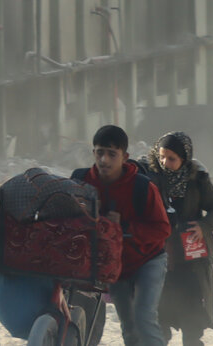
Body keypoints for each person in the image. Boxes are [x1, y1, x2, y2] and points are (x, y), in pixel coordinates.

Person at [71, 125, 169, 346]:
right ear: (93, 152)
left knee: (144, 320)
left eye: (111, 154)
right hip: (114, 267)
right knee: (129, 327)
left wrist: (123, 227)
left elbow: (163, 229)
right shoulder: (81, 181)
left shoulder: (142, 187)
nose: (104, 160)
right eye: (99, 152)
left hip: (148, 260)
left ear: (125, 157)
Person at [138, 132, 213, 346]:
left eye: (171, 159)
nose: (165, 163)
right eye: (161, 157)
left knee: (192, 322)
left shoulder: (197, 180)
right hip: (159, 259)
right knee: (158, 321)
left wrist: (204, 226)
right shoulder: (149, 180)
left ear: (184, 159)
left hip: (191, 264)